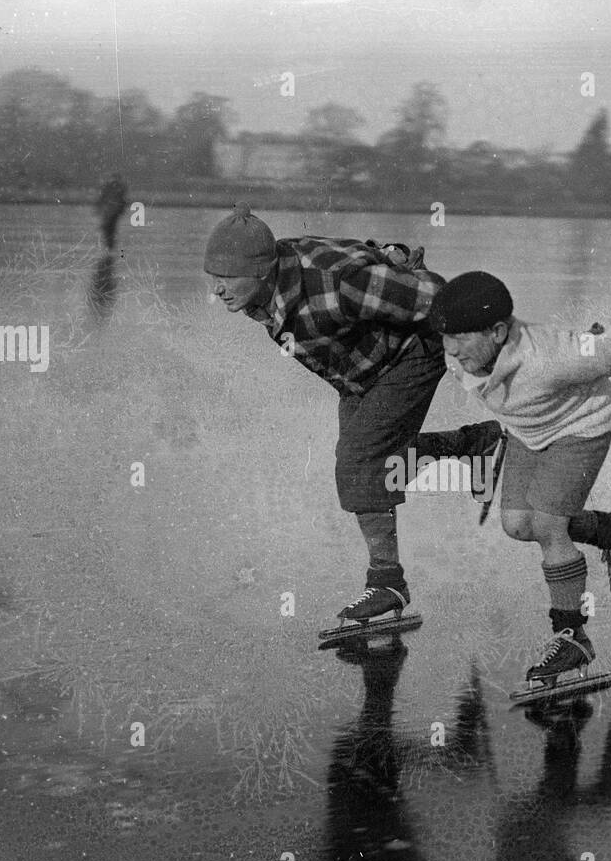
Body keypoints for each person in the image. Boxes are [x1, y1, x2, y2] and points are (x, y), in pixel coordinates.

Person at [203, 204, 502, 623]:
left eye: (226, 278)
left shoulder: (335, 281)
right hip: (365, 372)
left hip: (413, 351)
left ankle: (387, 583)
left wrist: (495, 356)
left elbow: (435, 296)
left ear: (263, 270)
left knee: (359, 463)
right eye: (213, 278)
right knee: (370, 463)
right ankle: (472, 447)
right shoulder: (261, 290)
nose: (217, 289)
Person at [427, 271, 611, 683]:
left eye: (461, 336)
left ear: (497, 331)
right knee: (518, 524)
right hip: (530, 431)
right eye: (445, 337)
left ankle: (572, 637)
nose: (451, 349)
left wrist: (592, 342)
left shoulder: (548, 359)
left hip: (581, 426)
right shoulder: (461, 355)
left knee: (548, 525)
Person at [95, 173, 129, 250]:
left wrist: (99, 208)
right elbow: (123, 201)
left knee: (108, 228)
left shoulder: (109, 186)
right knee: (109, 228)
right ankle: (110, 246)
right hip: (113, 211)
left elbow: (102, 198)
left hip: (110, 211)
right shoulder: (119, 187)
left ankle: (109, 246)